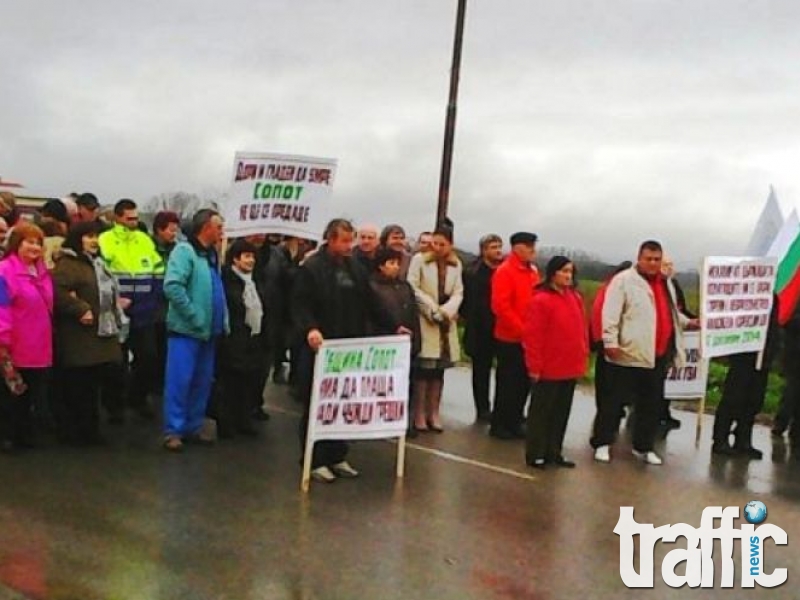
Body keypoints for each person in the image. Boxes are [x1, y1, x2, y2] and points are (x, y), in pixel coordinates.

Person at [292, 218, 396, 482]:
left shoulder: (355, 268)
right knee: (317, 402)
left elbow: (371, 300)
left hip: (349, 347)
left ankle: (337, 455)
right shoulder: (312, 268)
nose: (350, 245)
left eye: (352, 240)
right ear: (330, 239)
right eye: (345, 241)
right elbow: (300, 304)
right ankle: (314, 459)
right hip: (321, 347)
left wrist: (394, 327)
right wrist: (310, 329)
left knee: (343, 402)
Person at [598, 240, 695, 465]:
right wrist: (610, 341)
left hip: (656, 355)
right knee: (614, 403)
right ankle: (602, 443)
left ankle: (643, 446)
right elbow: (610, 314)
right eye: (649, 259)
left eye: (657, 259)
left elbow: (669, 313)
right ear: (639, 258)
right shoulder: (623, 281)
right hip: (628, 353)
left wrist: (689, 323)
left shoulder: (666, 284)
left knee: (651, 405)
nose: (653, 263)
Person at [52, 221, 125, 445]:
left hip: (103, 334)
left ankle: (90, 430)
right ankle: (79, 433)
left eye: (96, 236)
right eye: (89, 236)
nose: (94, 241)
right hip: (79, 337)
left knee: (95, 385)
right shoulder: (68, 264)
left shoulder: (99, 263)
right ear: (77, 238)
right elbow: (55, 291)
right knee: (80, 387)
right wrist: (79, 308)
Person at [162, 209, 228, 452]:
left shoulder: (212, 255)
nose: (222, 232)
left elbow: (216, 288)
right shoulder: (184, 251)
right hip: (186, 331)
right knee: (180, 381)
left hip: (209, 331)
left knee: (202, 382)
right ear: (205, 228)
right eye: (218, 227)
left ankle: (193, 425)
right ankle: (173, 430)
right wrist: (193, 315)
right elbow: (172, 286)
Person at [99, 199, 162, 421]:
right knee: (115, 363)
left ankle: (137, 398)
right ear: (117, 217)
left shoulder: (144, 240)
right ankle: (114, 406)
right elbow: (101, 275)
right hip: (117, 311)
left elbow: (158, 270)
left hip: (144, 311)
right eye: (129, 218)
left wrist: (153, 299)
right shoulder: (104, 241)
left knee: (148, 358)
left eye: (136, 218)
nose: (134, 222)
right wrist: (115, 301)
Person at [522, 256, 588, 469]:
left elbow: (580, 330)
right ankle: (536, 453)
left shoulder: (574, 297)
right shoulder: (540, 300)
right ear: (552, 273)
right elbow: (533, 337)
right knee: (542, 413)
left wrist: (583, 354)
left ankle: (554, 451)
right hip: (549, 367)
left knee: (561, 412)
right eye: (564, 271)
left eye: (570, 272)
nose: (568, 276)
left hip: (569, 365)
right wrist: (534, 366)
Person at [0, 223, 53, 453]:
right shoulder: (4, 271)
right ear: (17, 244)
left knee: (30, 392)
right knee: (10, 394)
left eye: (38, 243)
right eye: (29, 242)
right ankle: (8, 436)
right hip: (14, 344)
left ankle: (24, 433)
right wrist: (3, 340)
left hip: (39, 344)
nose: (34, 247)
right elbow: (1, 308)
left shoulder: (42, 273)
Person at [407, 226, 463, 433]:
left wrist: (447, 311)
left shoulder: (456, 264)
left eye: (442, 244)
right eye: (434, 243)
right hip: (426, 319)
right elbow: (413, 287)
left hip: (446, 321)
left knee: (439, 371)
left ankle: (434, 412)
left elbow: (458, 292)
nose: (437, 248)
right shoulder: (420, 260)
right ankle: (419, 413)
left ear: (450, 244)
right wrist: (433, 310)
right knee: (424, 370)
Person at [712, 298, 780, 459]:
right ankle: (720, 438)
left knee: (754, 400)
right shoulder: (745, 296)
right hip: (743, 355)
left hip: (763, 356)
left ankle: (743, 438)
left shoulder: (772, 297)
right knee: (733, 397)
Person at [489, 232, 540, 439]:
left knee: (523, 384)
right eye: (528, 246)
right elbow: (501, 306)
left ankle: (516, 419)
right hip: (509, 337)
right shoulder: (505, 271)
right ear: (517, 248)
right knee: (508, 383)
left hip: (528, 337)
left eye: (533, 246)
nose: (532, 250)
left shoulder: (532, 272)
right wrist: (522, 329)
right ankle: (500, 423)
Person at [217, 239, 270, 437]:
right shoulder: (227, 280)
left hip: (253, 338)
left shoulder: (254, 281)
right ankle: (227, 423)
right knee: (230, 383)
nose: (251, 261)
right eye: (247, 256)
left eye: (253, 256)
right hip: (234, 338)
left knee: (248, 382)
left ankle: (243, 420)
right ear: (235, 259)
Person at [368, 247, 420, 435]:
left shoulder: (405, 287)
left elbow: (413, 314)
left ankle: (403, 420)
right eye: (391, 263)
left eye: (398, 263)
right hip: (383, 342)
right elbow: (373, 315)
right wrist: (392, 328)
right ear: (381, 266)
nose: (395, 267)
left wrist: (416, 341)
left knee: (406, 384)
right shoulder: (371, 286)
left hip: (405, 344)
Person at [588, 261, 632, 449]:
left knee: (611, 389)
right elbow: (600, 316)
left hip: (616, 345)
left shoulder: (610, 287)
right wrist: (605, 342)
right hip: (610, 346)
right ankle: (605, 429)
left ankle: (611, 417)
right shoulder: (611, 290)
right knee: (608, 389)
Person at [462, 234, 503, 422]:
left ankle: (501, 408)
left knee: (504, 372)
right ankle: (483, 408)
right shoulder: (473, 272)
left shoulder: (504, 271)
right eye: (493, 247)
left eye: (499, 246)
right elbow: (468, 300)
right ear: (484, 250)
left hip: (501, 327)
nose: (498, 250)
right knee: (481, 371)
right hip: (480, 328)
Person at [658, 254, 697, 429]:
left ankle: (663, 412)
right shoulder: (655, 286)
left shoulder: (673, 285)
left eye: (671, 264)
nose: (669, 268)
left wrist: (691, 321)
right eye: (665, 264)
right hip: (657, 339)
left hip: (672, 336)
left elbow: (677, 310)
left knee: (666, 378)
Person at [151, 210, 181, 386]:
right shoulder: (148, 248)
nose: (174, 234)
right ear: (159, 230)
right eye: (171, 230)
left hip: (170, 309)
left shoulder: (178, 251)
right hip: (152, 306)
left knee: (165, 351)